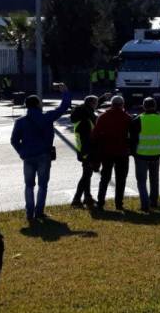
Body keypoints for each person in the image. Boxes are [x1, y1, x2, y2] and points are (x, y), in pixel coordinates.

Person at [10, 83, 71, 222]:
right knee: (43, 185)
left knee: (29, 185)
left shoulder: (20, 122)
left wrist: (22, 152)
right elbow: (63, 107)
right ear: (38, 104)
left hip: (28, 156)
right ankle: (39, 212)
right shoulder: (47, 117)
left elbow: (14, 140)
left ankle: (29, 213)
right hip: (44, 155)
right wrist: (65, 92)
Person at [92, 95, 132, 211]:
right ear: (122, 105)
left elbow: (95, 136)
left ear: (111, 104)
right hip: (122, 153)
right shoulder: (127, 118)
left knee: (104, 178)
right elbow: (132, 137)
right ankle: (119, 204)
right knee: (121, 179)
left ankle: (100, 202)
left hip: (106, 152)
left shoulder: (102, 117)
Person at [129, 97, 160, 212]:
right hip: (156, 153)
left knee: (141, 181)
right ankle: (154, 202)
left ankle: (145, 204)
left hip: (141, 155)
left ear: (144, 106)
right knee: (154, 179)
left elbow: (133, 139)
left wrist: (133, 152)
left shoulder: (138, 119)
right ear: (155, 106)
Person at [70, 94, 103, 207]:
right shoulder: (86, 121)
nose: (97, 105)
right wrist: (89, 154)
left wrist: (103, 98)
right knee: (86, 176)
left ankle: (87, 197)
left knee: (87, 175)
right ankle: (76, 199)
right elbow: (87, 139)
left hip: (83, 151)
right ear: (92, 104)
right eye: (96, 103)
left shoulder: (82, 115)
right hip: (87, 152)